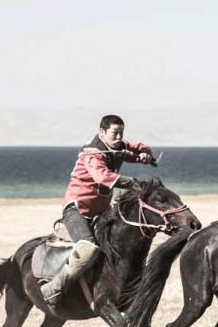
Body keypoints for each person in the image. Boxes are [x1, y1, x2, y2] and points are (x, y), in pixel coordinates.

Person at [42, 114, 156, 302]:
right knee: (88, 249)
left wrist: (145, 153)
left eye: (121, 133)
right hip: (77, 210)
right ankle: (54, 289)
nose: (119, 137)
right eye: (115, 133)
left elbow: (135, 148)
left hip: (100, 211)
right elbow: (103, 177)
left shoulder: (117, 146)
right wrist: (133, 183)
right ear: (102, 132)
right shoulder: (92, 153)